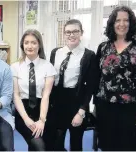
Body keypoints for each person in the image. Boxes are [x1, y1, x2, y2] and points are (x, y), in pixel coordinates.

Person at [95, 5, 136, 151]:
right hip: (104, 107)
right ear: (112, 24)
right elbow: (96, 77)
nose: (122, 24)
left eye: (126, 20)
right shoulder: (103, 47)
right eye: (118, 20)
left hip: (129, 109)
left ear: (131, 23)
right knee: (106, 145)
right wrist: (95, 104)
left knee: (126, 146)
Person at [46, 19, 97, 151]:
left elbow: (90, 87)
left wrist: (81, 112)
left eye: (75, 31)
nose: (71, 35)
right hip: (57, 103)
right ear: (64, 34)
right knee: (55, 143)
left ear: (81, 33)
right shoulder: (55, 52)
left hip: (76, 102)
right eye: (68, 32)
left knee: (76, 144)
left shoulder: (89, 55)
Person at [11, 29, 56, 151]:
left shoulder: (48, 67)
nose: (29, 46)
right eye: (26, 43)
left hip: (43, 112)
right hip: (23, 112)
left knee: (49, 146)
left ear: (39, 45)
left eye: (33, 42)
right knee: (38, 145)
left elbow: (46, 96)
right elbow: (16, 95)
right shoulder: (14, 67)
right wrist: (26, 119)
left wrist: (42, 120)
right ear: (22, 45)